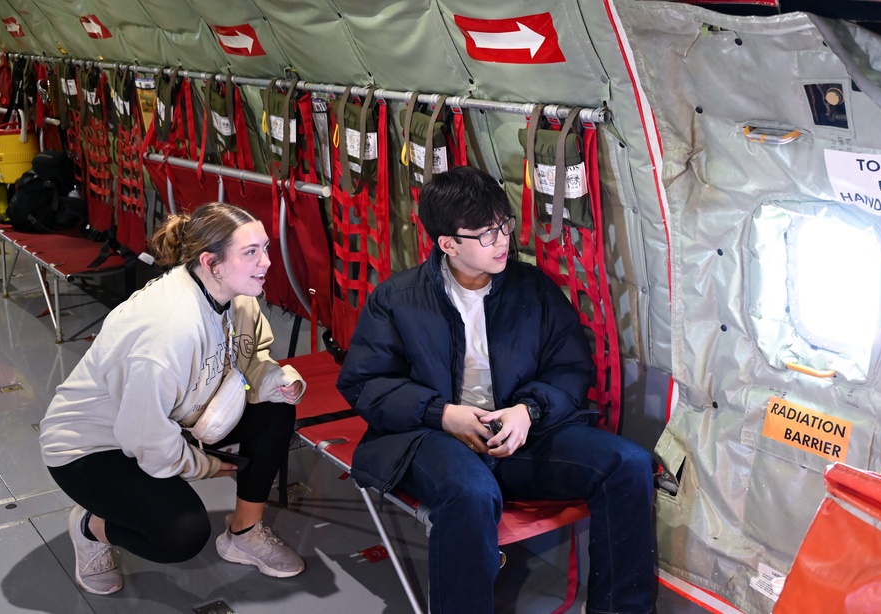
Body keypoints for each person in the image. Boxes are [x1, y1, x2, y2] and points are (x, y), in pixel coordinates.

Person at [337, 166, 658, 614]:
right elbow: (364, 383)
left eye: (504, 225)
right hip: (431, 438)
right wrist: (441, 413)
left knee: (628, 464)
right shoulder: (398, 299)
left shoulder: (533, 289)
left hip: (518, 433)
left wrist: (528, 410)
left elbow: (570, 369)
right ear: (447, 243)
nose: (502, 240)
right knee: (471, 492)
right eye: (485, 234)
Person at [39, 202, 307, 595]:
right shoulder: (168, 332)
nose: (266, 262)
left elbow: (249, 361)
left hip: (173, 418)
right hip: (91, 446)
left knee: (275, 410)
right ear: (211, 262)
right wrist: (204, 465)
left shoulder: (238, 294)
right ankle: (91, 528)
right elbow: (143, 435)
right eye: (251, 252)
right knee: (181, 534)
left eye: (265, 248)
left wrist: (277, 383)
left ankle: (244, 532)